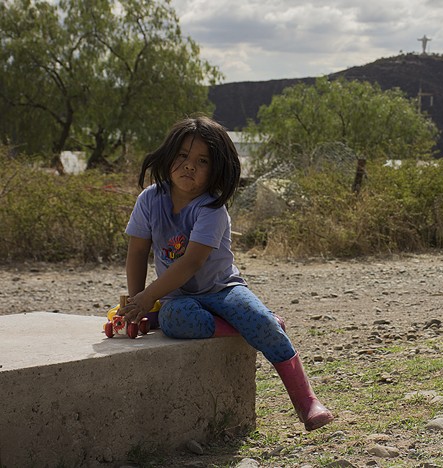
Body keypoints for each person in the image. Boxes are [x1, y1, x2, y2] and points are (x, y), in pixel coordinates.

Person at [118, 114, 334, 431]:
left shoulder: (211, 208)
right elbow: (137, 252)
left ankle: (306, 401)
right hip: (179, 296)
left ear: (216, 169)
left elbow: (191, 262)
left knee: (262, 324)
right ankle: (236, 324)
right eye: (182, 155)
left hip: (223, 290)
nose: (189, 166)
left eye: (202, 161)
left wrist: (150, 296)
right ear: (169, 156)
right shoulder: (150, 199)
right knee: (174, 320)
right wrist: (139, 303)